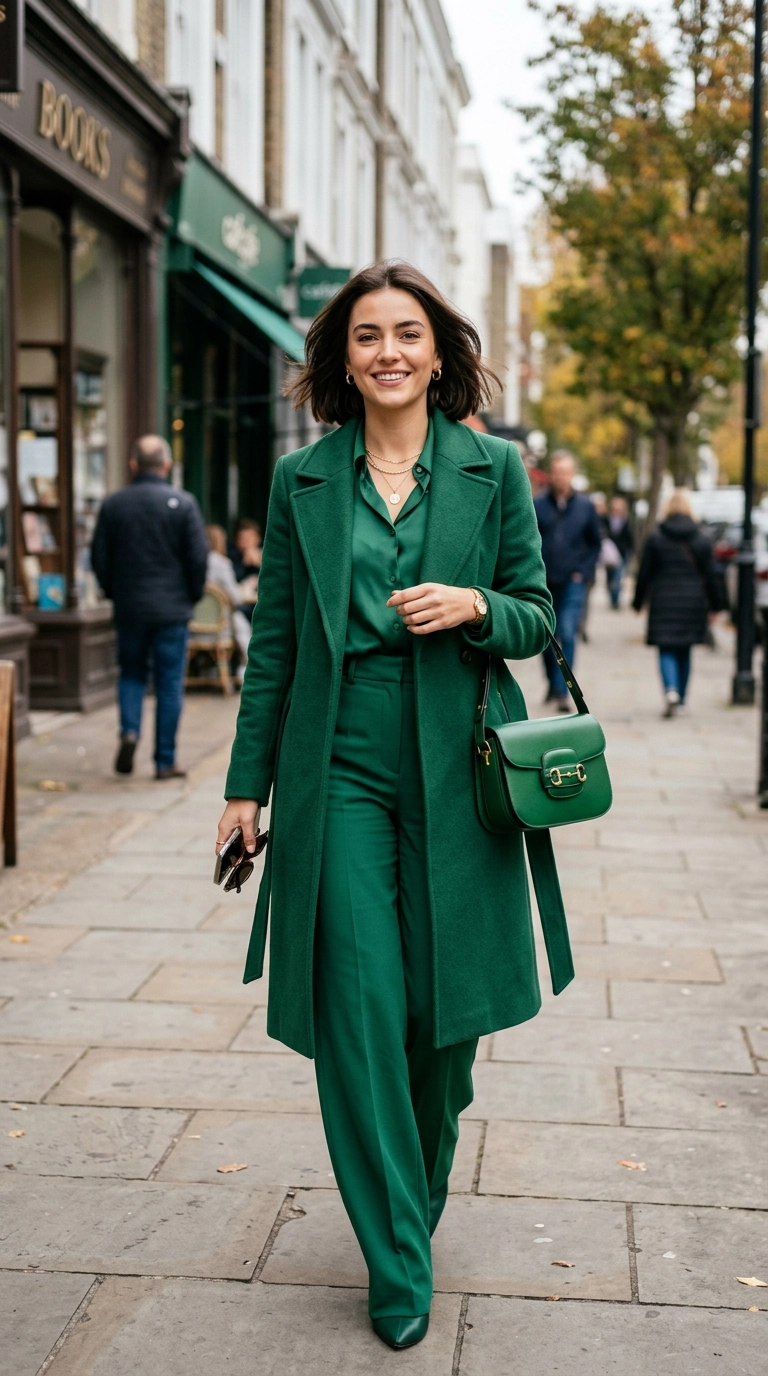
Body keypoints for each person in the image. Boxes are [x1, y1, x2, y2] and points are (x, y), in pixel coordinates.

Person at [216, 262, 558, 1350]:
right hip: (340, 764)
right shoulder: (304, 480)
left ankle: (410, 1199)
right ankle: (397, 1257)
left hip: (458, 766)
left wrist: (473, 605)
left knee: (440, 1027)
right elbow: (272, 642)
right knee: (359, 1007)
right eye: (367, 335)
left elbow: (539, 617)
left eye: (407, 332)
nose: (389, 351)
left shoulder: (493, 468)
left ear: (438, 349)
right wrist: (243, 786)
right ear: (342, 357)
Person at [91, 435, 208, 778]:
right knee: (169, 683)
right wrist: (192, 595)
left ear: (132, 465)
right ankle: (164, 760)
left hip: (130, 608)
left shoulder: (114, 505)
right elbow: (197, 558)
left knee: (131, 674)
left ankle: (130, 731)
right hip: (172, 610)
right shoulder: (183, 503)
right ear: (166, 465)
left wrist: (114, 592)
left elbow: (100, 558)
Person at [633, 488, 725, 717]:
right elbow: (712, 575)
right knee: (685, 649)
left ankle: (670, 690)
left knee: (666, 647)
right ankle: (681, 698)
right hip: (693, 601)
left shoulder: (656, 537)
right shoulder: (701, 538)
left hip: (663, 599)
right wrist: (716, 605)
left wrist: (638, 601)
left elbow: (644, 573)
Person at [534, 451, 602, 710]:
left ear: (572, 475)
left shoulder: (585, 507)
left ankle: (564, 689)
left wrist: (582, 571)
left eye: (565, 472)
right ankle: (553, 682)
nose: (561, 477)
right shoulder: (538, 505)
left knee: (568, 631)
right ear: (551, 474)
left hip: (573, 580)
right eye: (557, 472)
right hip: (544, 581)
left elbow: (595, 543)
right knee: (545, 635)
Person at [205, 524, 254, 676]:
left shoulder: (191, 561)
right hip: (219, 628)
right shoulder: (221, 563)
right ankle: (247, 664)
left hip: (193, 626)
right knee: (240, 619)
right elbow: (236, 598)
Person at [602, 495, 634, 609]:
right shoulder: (606, 519)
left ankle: (615, 600)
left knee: (617, 577)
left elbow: (630, 538)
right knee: (610, 577)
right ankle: (612, 596)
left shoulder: (627, 520)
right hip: (609, 554)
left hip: (622, 553)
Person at [230, 519, 262, 621]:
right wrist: (243, 563)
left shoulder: (266, 555)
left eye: (248, 538)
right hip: (239, 604)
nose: (244, 542)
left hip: (259, 603)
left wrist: (260, 564)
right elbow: (231, 580)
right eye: (241, 538)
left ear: (257, 538)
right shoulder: (231, 555)